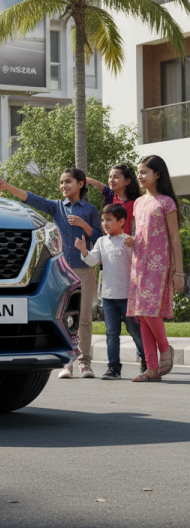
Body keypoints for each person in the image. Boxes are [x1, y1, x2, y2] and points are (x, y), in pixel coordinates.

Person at [0, 168, 102, 379]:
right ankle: (68, 363)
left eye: (68, 182)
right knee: (63, 317)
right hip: (62, 272)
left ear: (80, 184)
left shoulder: (90, 209)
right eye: (61, 182)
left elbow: (98, 237)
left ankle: (85, 364)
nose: (63, 186)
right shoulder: (56, 206)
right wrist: (8, 187)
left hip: (85, 270)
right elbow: (31, 199)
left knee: (85, 319)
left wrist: (83, 225)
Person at [125, 155, 185, 383]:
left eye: (144, 172)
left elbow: (174, 238)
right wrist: (132, 240)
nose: (139, 176)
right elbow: (142, 234)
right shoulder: (139, 203)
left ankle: (164, 348)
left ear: (157, 174)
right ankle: (151, 368)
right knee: (142, 314)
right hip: (139, 264)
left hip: (159, 265)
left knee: (150, 310)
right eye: (138, 172)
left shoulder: (166, 202)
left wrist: (178, 272)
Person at [75, 204, 144, 379]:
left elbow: (139, 263)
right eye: (103, 220)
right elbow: (92, 261)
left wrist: (136, 244)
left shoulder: (129, 240)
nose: (104, 223)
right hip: (108, 297)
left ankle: (146, 360)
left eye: (109, 220)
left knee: (134, 331)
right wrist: (84, 251)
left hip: (128, 297)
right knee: (111, 333)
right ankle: (114, 367)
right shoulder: (101, 241)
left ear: (121, 222)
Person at [86, 164, 140, 234]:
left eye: (116, 177)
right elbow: (98, 184)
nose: (111, 180)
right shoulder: (110, 195)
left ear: (127, 181)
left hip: (127, 241)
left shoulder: (136, 202)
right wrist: (81, 178)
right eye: (110, 177)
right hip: (110, 240)